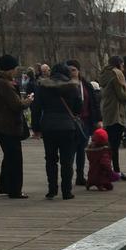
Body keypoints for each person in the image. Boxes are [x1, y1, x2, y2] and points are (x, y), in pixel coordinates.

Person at [32, 61, 82, 200]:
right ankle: (67, 191)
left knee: (50, 159)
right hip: (67, 126)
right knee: (67, 160)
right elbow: (78, 107)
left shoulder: (43, 87)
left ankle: (52, 189)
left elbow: (36, 108)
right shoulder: (73, 87)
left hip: (48, 126)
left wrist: (36, 128)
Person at [0, 54, 34, 198]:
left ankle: (3, 185)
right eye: (15, 68)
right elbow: (17, 105)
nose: (16, 71)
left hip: (0, 123)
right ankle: (15, 190)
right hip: (9, 125)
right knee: (15, 159)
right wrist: (28, 100)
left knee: (8, 157)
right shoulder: (5, 84)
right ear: (9, 69)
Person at [99, 55, 126, 177]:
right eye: (122, 65)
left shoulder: (105, 73)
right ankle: (115, 171)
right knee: (114, 144)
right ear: (118, 64)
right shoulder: (116, 75)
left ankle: (110, 170)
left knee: (111, 143)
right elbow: (121, 95)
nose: (122, 68)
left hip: (107, 111)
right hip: (116, 113)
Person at [65, 60, 101, 186]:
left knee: (81, 150)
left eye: (74, 70)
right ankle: (67, 176)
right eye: (69, 70)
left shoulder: (85, 85)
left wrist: (97, 119)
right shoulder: (65, 85)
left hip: (85, 121)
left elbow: (94, 103)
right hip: (71, 122)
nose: (71, 72)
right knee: (70, 150)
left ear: (79, 71)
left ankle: (80, 175)